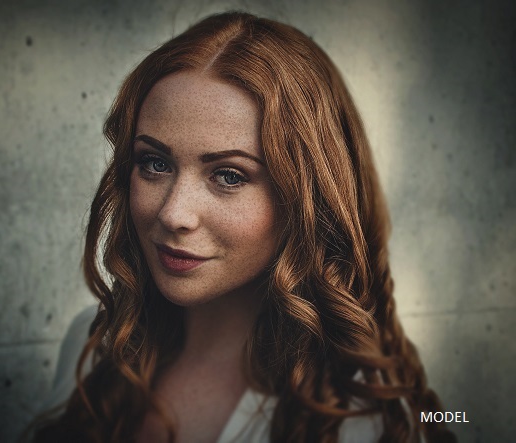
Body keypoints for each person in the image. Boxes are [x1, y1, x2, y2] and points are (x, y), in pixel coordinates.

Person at [31, 11, 456, 443]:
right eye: (154, 163)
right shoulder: (96, 342)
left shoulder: (359, 413)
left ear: (308, 201)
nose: (174, 214)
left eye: (229, 175)